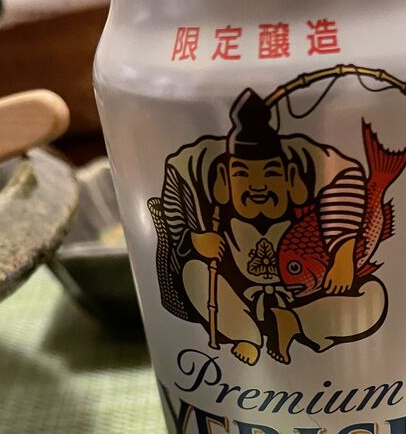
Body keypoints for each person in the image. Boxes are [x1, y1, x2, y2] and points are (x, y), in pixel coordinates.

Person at [155, 88, 387, 364]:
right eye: (242, 174)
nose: (257, 186)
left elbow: (346, 179)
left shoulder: (305, 214)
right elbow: (175, 223)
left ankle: (292, 323)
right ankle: (246, 336)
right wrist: (195, 241)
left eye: (270, 174)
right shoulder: (218, 217)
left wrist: (342, 253)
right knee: (194, 272)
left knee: (373, 296)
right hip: (237, 303)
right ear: (224, 181)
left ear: (291, 178)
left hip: (303, 301)